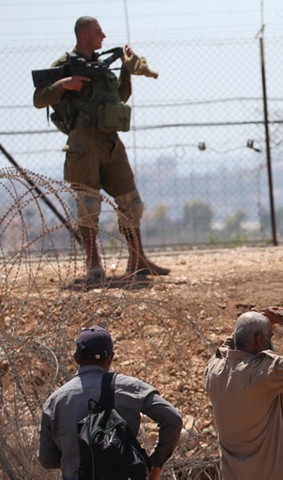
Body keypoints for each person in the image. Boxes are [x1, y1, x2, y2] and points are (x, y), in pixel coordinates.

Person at [33, 16, 169, 283]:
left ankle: (138, 260)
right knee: (89, 204)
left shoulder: (102, 64)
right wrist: (64, 84)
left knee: (131, 201)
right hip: (83, 143)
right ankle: (93, 264)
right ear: (84, 35)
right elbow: (39, 99)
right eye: (98, 32)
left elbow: (119, 98)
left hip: (110, 142)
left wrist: (126, 69)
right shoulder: (65, 65)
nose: (104, 36)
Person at [38, 326, 182, 480]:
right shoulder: (131, 388)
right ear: (111, 357)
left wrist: (73, 457)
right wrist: (155, 462)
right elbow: (173, 419)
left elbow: (46, 460)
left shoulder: (55, 401)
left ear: (76, 359)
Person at [204, 308, 283, 479]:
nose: (271, 341)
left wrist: (248, 324)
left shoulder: (213, 369)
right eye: (270, 336)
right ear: (260, 340)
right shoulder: (264, 374)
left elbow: (227, 347)